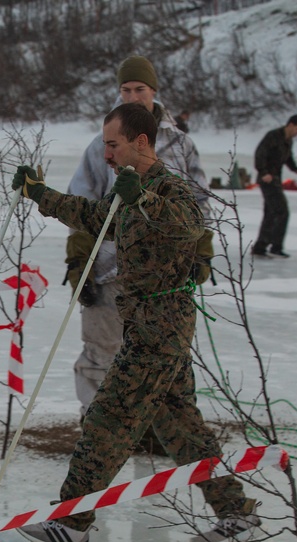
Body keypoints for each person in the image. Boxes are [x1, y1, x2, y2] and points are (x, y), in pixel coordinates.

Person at [12, 103, 259, 542]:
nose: (106, 153)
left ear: (140, 142)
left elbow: (188, 226)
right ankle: (236, 512)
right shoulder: (129, 189)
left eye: (113, 144)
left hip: (158, 330)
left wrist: (143, 200)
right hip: (149, 326)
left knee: (108, 420)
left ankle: (71, 522)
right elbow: (92, 216)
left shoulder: (167, 188)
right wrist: (38, 193)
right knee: (182, 427)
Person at [65, 55, 213, 458]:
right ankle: (94, 433)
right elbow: (82, 202)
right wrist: (79, 259)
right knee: (100, 351)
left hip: (164, 277)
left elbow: (199, 201)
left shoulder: (179, 144)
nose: (133, 96)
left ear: (154, 91)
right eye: (126, 90)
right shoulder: (103, 144)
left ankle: (153, 433)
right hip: (110, 267)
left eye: (139, 90)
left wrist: (201, 250)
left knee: (160, 362)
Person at [251, 114, 297, 258]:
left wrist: (296, 169)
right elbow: (260, 154)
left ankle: (261, 246)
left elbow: (288, 158)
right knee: (282, 211)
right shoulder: (273, 136)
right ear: (291, 125)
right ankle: (275, 245)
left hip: (276, 179)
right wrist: (263, 172)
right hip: (267, 180)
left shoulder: (288, 141)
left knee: (271, 213)